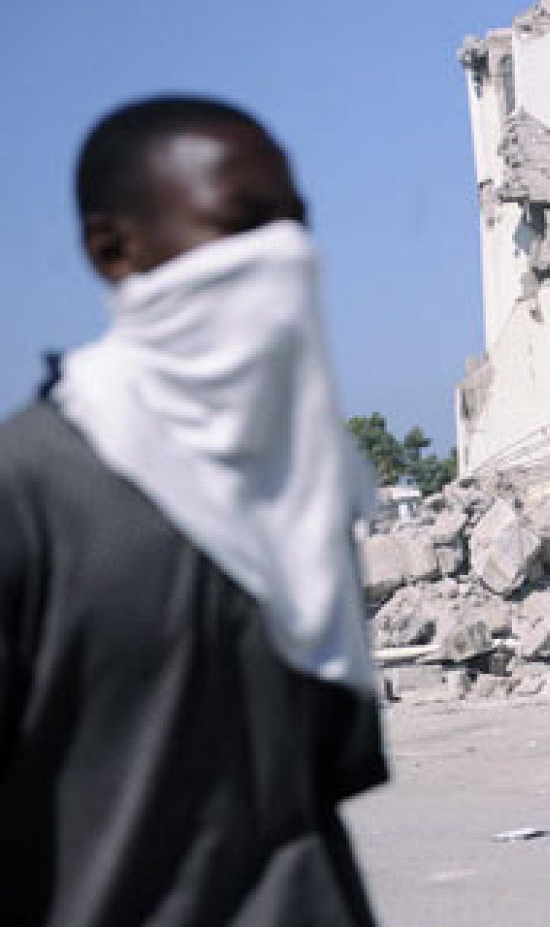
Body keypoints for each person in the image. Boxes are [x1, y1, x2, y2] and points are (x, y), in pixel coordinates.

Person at [0, 97, 387, 925]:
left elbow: (324, 776)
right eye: (242, 225)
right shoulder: (28, 489)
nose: (285, 256)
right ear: (114, 248)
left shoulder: (300, 497)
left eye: (296, 225)